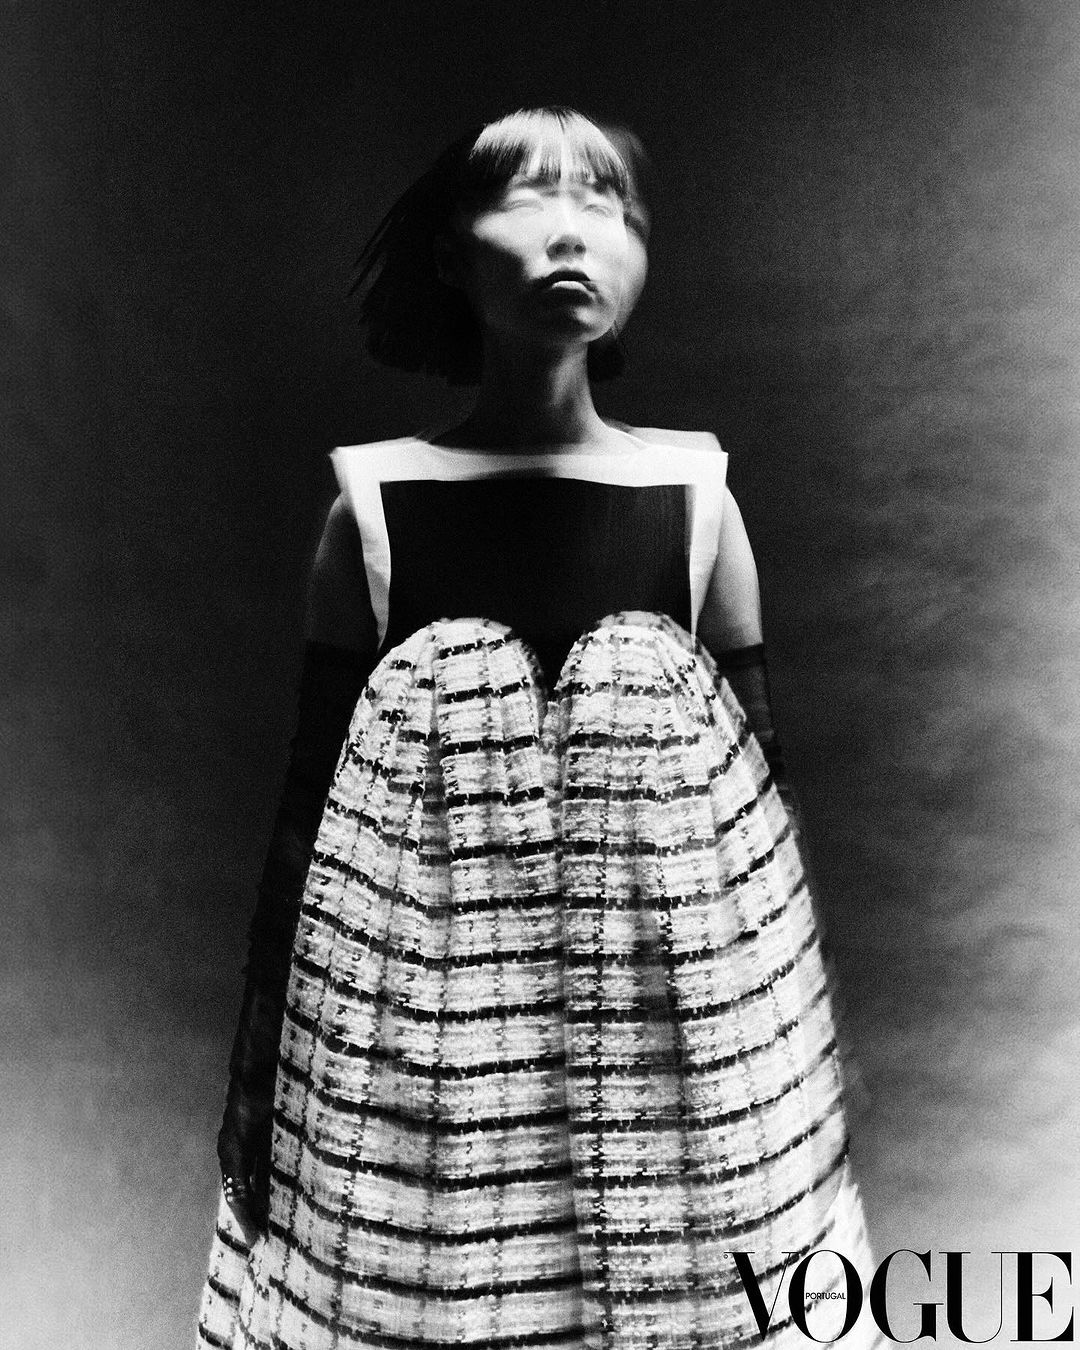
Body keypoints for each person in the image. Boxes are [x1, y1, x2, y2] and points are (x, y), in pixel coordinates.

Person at [197, 107, 878, 1350]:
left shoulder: (698, 499)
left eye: (610, 205)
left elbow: (759, 823)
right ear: (452, 254)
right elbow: (310, 821)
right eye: (531, 197)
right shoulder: (373, 508)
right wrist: (268, 1094)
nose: (575, 232)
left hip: (672, 1029)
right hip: (424, 1048)